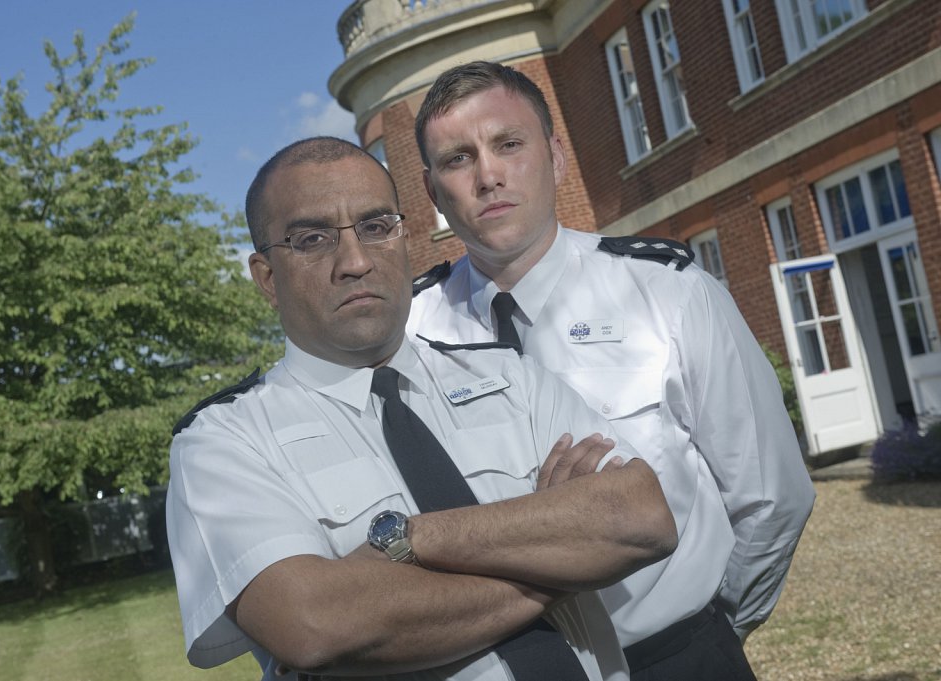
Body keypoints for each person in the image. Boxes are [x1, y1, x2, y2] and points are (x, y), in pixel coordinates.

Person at [165, 136, 679, 681]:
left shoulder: (510, 376)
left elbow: (640, 518)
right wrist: (565, 550)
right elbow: (316, 625)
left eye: (376, 226)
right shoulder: (223, 441)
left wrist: (409, 539)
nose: (356, 261)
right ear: (267, 278)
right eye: (312, 238)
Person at [407, 61, 816, 681]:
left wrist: (713, 629)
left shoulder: (668, 293)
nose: (488, 175)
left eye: (509, 145)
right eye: (458, 159)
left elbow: (771, 496)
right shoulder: (410, 336)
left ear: (556, 157)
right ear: (434, 192)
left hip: (674, 657)